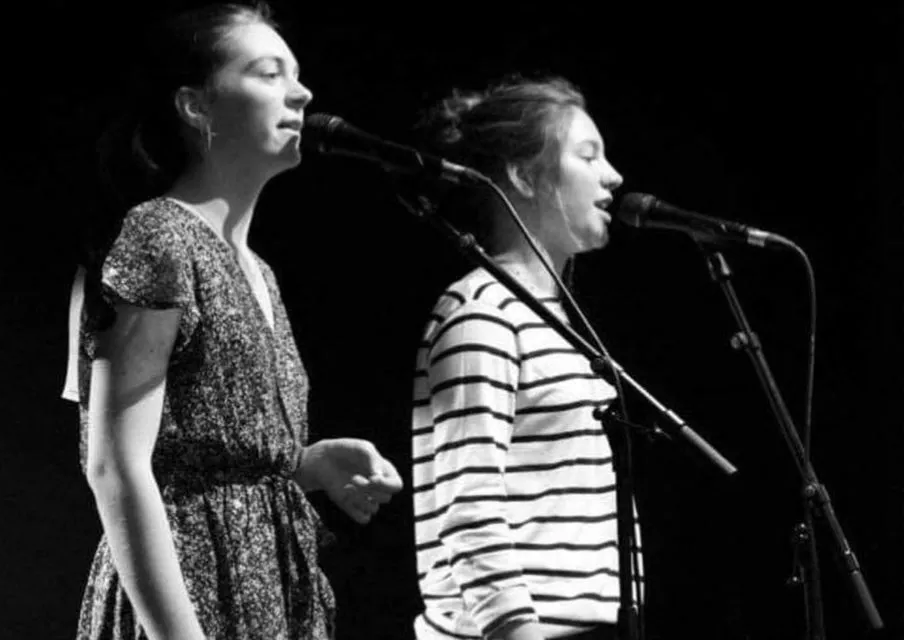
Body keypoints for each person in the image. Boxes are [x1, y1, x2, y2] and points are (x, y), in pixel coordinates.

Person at [60, 3, 403, 639]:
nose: (301, 92)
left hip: (270, 592)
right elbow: (115, 464)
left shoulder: (259, 270)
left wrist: (306, 463)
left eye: (296, 75)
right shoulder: (158, 237)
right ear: (196, 106)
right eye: (269, 73)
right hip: (187, 596)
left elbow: (201, 453)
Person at [409, 76, 638, 640]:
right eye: (589, 156)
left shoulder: (560, 321)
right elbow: (467, 500)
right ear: (522, 175)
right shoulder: (481, 312)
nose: (614, 177)